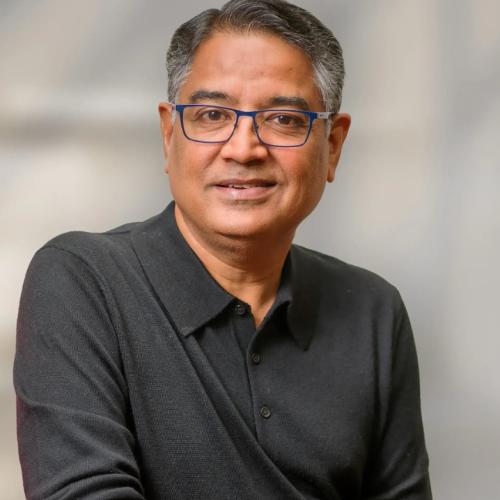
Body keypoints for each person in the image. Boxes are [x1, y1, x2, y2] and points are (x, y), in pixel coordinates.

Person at [14, 0, 432, 498]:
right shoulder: (83, 282)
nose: (244, 148)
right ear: (169, 134)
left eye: (283, 119)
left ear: (333, 146)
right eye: (212, 115)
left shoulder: (373, 311)